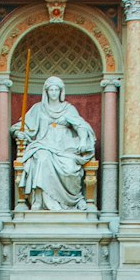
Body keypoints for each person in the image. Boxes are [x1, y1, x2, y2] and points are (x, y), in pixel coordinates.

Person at [17, 75, 95, 211]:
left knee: (70, 168)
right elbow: (21, 126)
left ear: (61, 92)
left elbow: (81, 126)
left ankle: (72, 201)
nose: (53, 93)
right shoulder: (38, 108)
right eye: (51, 90)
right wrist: (19, 132)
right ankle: (40, 201)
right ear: (46, 92)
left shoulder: (68, 108)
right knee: (42, 159)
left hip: (65, 147)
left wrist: (82, 139)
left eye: (56, 90)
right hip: (43, 144)